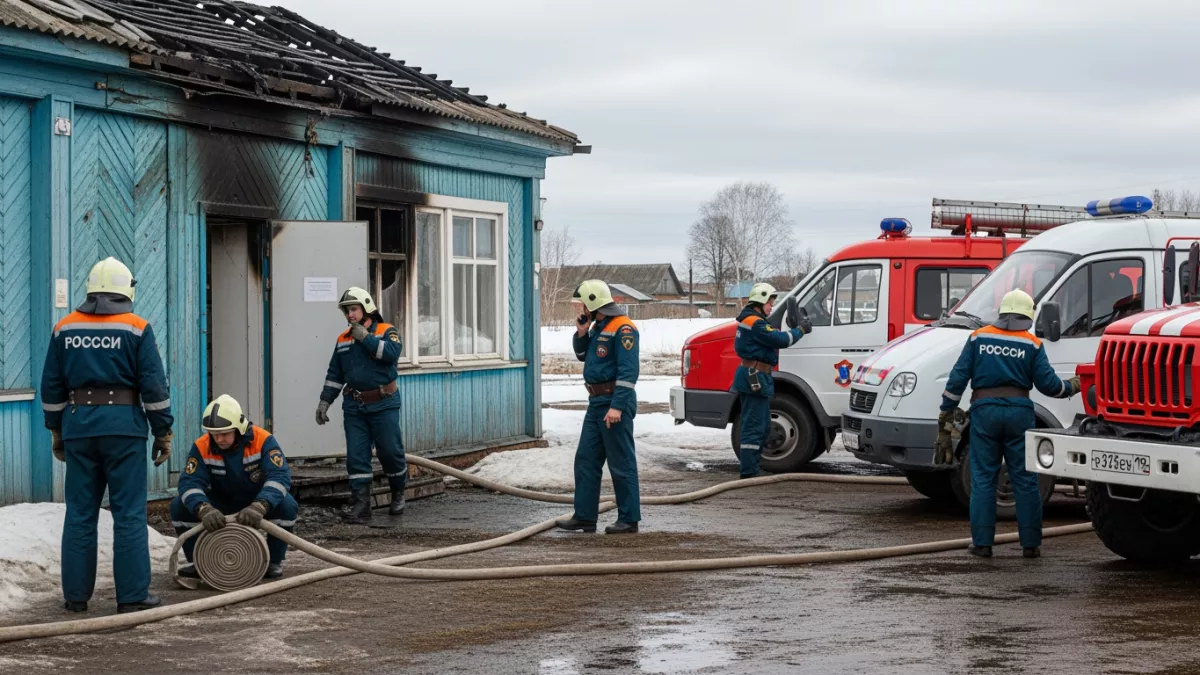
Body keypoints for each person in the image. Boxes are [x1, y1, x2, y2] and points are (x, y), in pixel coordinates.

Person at [40, 257, 173, 614]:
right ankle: (131, 597)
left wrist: (56, 430)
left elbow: (51, 386)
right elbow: (154, 387)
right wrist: (164, 432)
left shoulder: (63, 328)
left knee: (80, 513)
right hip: (125, 431)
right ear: (126, 289)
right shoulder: (137, 327)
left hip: (79, 428)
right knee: (128, 514)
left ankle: (76, 597)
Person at [938, 289, 1080, 558]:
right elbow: (1049, 386)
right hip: (1019, 414)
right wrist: (1073, 386)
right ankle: (1030, 545)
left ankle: (982, 544)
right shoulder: (1032, 344)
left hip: (985, 413)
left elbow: (956, 381)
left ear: (1001, 313)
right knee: (1025, 480)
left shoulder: (979, 338)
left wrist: (946, 416)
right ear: (1027, 315)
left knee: (983, 479)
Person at [170, 395, 297, 580]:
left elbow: (280, 477)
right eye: (214, 434)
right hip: (220, 502)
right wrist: (203, 508)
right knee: (178, 507)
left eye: (224, 433)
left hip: (256, 500)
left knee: (287, 506)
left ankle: (273, 562)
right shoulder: (201, 446)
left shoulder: (263, 440)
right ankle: (198, 562)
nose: (219, 439)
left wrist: (261, 505)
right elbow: (189, 483)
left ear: (239, 428)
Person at [555, 280, 642, 534]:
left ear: (594, 302)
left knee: (621, 462)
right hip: (596, 403)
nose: (581, 308)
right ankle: (584, 516)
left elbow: (628, 372)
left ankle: (629, 518)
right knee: (586, 460)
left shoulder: (623, 329)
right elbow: (584, 356)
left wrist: (617, 407)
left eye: (583, 303)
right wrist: (582, 333)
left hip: (614, 403)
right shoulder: (598, 326)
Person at [314, 287, 406, 524]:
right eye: (347, 311)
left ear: (367, 309)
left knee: (390, 452)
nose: (350, 315)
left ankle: (398, 492)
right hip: (355, 407)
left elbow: (392, 354)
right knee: (356, 456)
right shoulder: (343, 339)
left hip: (384, 404)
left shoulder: (387, 331)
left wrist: (365, 337)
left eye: (353, 309)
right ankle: (361, 505)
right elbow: (335, 374)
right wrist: (325, 402)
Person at [732, 283, 809, 479]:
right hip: (754, 377)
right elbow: (781, 339)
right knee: (754, 426)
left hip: (755, 376)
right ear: (760, 301)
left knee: (762, 424)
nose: (771, 307)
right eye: (769, 302)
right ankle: (749, 471)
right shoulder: (755, 322)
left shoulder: (752, 320)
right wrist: (800, 330)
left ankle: (753, 467)